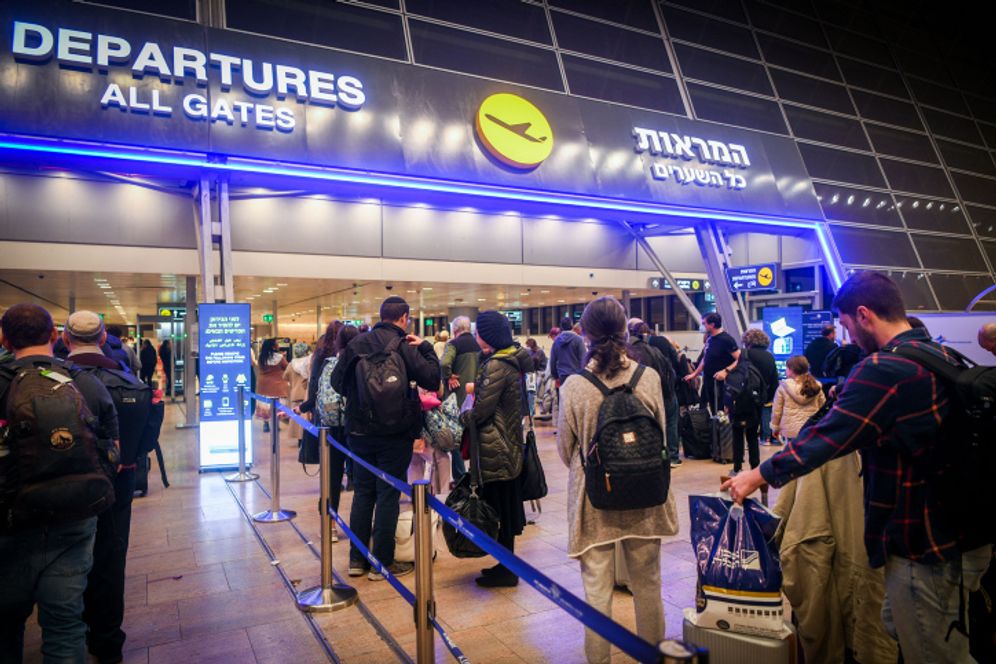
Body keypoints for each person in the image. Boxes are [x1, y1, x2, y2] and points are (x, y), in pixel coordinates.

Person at [724, 271, 993, 664]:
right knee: (909, 629)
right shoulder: (941, 356)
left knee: (932, 652)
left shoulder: (885, 369)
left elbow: (826, 438)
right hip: (963, 532)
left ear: (864, 314)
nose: (848, 337)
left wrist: (756, 475)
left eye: (848, 325)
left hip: (922, 544)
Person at [557, 297, 679, 664]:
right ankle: (652, 657)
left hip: (595, 501)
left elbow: (567, 450)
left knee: (597, 592)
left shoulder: (575, 386)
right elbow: (660, 433)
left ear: (586, 334)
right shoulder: (649, 377)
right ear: (626, 330)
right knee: (648, 585)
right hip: (647, 495)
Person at [0, 304, 119, 663]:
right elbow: (114, 452)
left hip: (9, 521)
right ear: (54, 336)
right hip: (75, 517)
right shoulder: (86, 382)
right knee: (66, 624)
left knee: (5, 624)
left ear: (4, 339)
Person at [330, 297, 440, 581]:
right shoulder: (405, 346)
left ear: (381, 316)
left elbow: (335, 383)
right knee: (388, 493)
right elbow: (432, 379)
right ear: (404, 318)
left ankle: (357, 560)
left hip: (359, 433)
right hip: (396, 432)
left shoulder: (357, 345)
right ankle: (382, 563)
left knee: (363, 492)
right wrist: (425, 347)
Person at [64, 311, 150, 664]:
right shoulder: (127, 381)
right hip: (116, 479)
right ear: (103, 339)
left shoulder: (47, 379)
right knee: (111, 557)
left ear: (66, 340)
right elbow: (140, 443)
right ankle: (108, 639)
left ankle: (69, 633)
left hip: (59, 486)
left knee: (65, 560)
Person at [460, 311, 532, 588]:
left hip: (496, 446)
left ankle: (507, 570)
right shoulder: (511, 360)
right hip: (509, 443)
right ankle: (505, 565)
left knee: (500, 510)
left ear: (488, 335)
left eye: (479, 333)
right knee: (504, 508)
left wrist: (462, 417)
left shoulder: (496, 366)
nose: (477, 337)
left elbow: (481, 412)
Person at [627, 319, 681, 467]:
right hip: (667, 392)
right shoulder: (656, 349)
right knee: (670, 423)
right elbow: (672, 366)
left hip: (645, 396)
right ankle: (673, 457)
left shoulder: (629, 351)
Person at [440, 316, 478, 483]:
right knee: (475, 437)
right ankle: (475, 475)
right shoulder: (479, 344)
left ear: (454, 330)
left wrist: (448, 376)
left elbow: (443, 363)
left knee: (456, 438)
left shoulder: (453, 344)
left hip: (458, 399)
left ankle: (460, 476)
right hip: (477, 398)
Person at [684, 312, 740, 414]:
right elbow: (705, 359)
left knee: (721, 413)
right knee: (713, 411)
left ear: (712, 325)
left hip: (722, 385)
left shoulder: (726, 339)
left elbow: (740, 359)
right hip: (709, 381)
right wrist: (694, 374)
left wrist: (726, 371)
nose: (702, 326)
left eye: (704, 323)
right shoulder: (710, 339)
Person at [770, 355, 825, 445]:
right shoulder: (816, 386)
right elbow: (822, 407)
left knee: (792, 456)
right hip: (810, 428)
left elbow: (777, 411)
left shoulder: (783, 387)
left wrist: (775, 428)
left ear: (791, 370)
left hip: (790, 430)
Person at [742, 329, 779, 446]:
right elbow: (774, 378)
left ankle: (747, 441)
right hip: (764, 394)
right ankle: (765, 438)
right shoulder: (770, 356)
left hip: (747, 394)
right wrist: (770, 396)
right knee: (764, 415)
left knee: (748, 421)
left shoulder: (746, 354)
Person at [254, 338, 288, 433]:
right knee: (277, 405)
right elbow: (286, 366)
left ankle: (266, 424)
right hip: (277, 385)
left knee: (265, 405)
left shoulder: (261, 357)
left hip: (263, 385)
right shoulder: (279, 357)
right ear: (273, 346)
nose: (278, 345)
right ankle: (276, 425)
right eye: (276, 344)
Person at [283, 342, 311, 442]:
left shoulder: (291, 364)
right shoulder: (309, 362)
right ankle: (305, 439)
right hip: (306, 393)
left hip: (295, 393)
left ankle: (299, 440)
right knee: (306, 417)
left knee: (296, 419)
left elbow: (285, 376)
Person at [549, 317, 586, 388]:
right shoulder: (579, 340)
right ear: (572, 325)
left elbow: (552, 362)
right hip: (576, 377)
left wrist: (556, 377)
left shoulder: (556, 342)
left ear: (561, 327)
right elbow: (583, 360)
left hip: (562, 377)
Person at [523, 338, 547, 417]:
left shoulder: (540, 352)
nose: (527, 347)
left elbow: (544, 365)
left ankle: (540, 410)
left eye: (528, 345)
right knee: (531, 394)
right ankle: (531, 411)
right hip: (531, 374)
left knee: (538, 393)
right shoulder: (528, 351)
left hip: (538, 374)